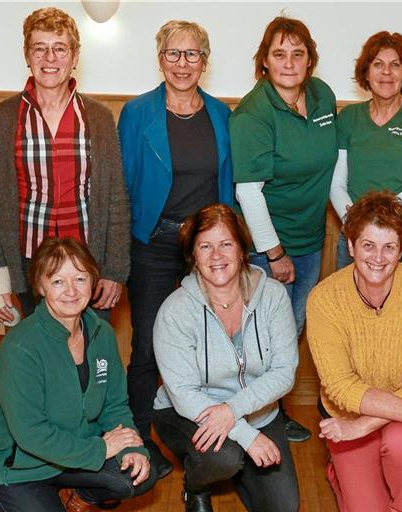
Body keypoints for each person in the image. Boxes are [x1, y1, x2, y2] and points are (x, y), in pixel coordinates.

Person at [118, 19, 233, 478]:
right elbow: (123, 187)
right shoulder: (138, 113)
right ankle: (137, 440)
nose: (182, 64)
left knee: (209, 349)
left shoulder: (223, 115)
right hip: (153, 244)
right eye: (173, 53)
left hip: (207, 251)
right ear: (160, 57)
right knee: (147, 347)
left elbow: (230, 187)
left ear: (205, 61)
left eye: (192, 55)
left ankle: (206, 440)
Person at [0, 237, 156, 512]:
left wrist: (132, 449)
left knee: (140, 474)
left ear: (93, 282)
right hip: (21, 468)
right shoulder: (20, 347)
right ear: (40, 286)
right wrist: (100, 450)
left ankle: (75, 499)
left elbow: (115, 406)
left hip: (76, 451)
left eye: (80, 279)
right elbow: (31, 434)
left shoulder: (102, 334)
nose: (71, 291)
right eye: (58, 281)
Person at [0, 7, 129, 326]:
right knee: (35, 364)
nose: (50, 58)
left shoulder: (98, 118)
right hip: (29, 266)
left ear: (75, 56)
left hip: (89, 265)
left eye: (59, 48)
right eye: (39, 48)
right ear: (26, 55)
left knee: (89, 362)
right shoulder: (4, 118)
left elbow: (116, 200)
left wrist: (114, 270)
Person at [307, 191, 402, 512]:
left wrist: (361, 427)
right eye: (368, 245)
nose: (378, 257)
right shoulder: (323, 299)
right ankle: (346, 471)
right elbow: (341, 387)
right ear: (350, 246)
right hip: (350, 411)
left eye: (389, 247)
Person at [231, 16, 337, 442]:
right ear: (264, 62)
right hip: (269, 249)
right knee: (257, 337)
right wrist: (275, 255)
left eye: (298, 53)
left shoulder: (323, 96)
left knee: (289, 332)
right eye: (279, 54)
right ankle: (244, 419)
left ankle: (269, 412)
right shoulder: (253, 114)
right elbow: (248, 192)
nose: (289, 62)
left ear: (310, 60)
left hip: (312, 240)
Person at [152, 204, 299, 512]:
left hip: (258, 412)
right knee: (224, 456)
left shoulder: (273, 295)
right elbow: (183, 394)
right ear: (193, 255)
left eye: (226, 244)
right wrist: (246, 437)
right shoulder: (175, 311)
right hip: (188, 413)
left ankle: (238, 465)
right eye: (205, 246)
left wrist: (234, 412)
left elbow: (285, 372)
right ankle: (197, 486)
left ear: (242, 250)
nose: (216, 256)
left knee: (284, 507)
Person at [330, 31, 402, 279]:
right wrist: (355, 222)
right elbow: (336, 183)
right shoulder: (348, 117)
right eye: (378, 64)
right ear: (366, 73)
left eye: (395, 65)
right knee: (349, 306)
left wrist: (379, 221)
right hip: (354, 229)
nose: (386, 73)